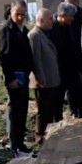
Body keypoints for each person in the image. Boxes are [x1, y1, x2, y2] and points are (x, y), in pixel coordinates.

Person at [0, 0, 34, 155]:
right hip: (14, 77)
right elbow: (4, 57)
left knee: (22, 110)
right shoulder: (6, 31)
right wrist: (10, 78)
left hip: (24, 76)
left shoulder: (23, 30)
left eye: (22, 15)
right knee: (15, 111)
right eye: (17, 14)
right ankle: (15, 143)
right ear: (10, 12)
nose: (20, 17)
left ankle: (20, 141)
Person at [29, 8, 62, 144]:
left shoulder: (45, 33)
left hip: (51, 79)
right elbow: (36, 59)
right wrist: (40, 78)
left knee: (49, 109)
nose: (52, 21)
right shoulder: (35, 35)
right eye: (49, 19)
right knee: (43, 111)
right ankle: (40, 135)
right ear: (41, 20)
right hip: (43, 81)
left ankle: (48, 134)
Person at [52, 2, 82, 119]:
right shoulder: (52, 28)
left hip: (71, 67)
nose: (72, 19)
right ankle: (57, 121)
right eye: (70, 16)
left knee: (76, 91)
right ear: (62, 15)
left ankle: (75, 112)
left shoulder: (68, 26)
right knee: (58, 99)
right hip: (58, 70)